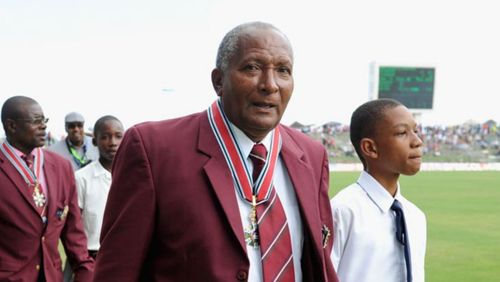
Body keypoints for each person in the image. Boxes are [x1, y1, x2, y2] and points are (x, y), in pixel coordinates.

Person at [94, 22, 338, 282]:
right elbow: (117, 270)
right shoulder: (153, 149)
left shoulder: (311, 156)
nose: (270, 84)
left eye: (283, 70)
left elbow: (319, 263)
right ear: (218, 81)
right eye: (252, 67)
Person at [330, 98, 427, 282]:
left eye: (415, 131)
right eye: (401, 133)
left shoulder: (415, 217)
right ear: (370, 148)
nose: (417, 141)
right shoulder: (342, 212)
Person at [0, 96, 94, 281]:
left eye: (44, 120)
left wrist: (86, 273)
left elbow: (73, 229)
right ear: (12, 126)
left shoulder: (61, 167)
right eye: (36, 121)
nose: (43, 126)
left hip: (52, 276)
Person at [75, 115, 124, 259]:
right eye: (105, 137)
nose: (113, 143)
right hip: (92, 256)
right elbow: (73, 226)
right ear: (95, 141)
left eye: (118, 136)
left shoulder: (135, 175)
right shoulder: (81, 177)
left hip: (126, 254)